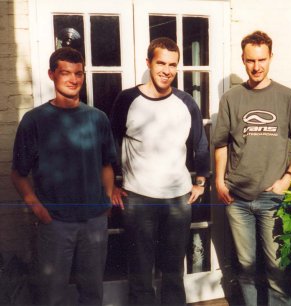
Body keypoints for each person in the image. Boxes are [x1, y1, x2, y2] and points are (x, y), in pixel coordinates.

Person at [10, 47, 117, 305]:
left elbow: (107, 165)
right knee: (51, 294)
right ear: (51, 75)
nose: (73, 79)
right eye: (65, 73)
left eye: (79, 73)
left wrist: (105, 200)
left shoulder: (97, 118)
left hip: (93, 222)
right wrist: (37, 209)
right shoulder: (34, 120)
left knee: (92, 292)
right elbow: (18, 173)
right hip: (55, 223)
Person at [213, 31, 291, 306]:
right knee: (246, 266)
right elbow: (220, 143)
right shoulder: (232, 98)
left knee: (276, 268)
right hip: (237, 198)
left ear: (271, 58)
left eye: (262, 60)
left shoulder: (288, 97)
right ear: (243, 60)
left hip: (272, 197)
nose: (257, 67)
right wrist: (220, 181)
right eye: (250, 60)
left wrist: (286, 179)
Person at [110, 37, 210, 305]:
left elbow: (200, 144)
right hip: (138, 198)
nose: (166, 70)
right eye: (161, 63)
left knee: (174, 271)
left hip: (178, 199)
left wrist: (200, 182)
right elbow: (109, 144)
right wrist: (111, 185)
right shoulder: (127, 99)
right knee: (141, 272)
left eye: (172, 65)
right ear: (148, 63)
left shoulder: (186, 102)